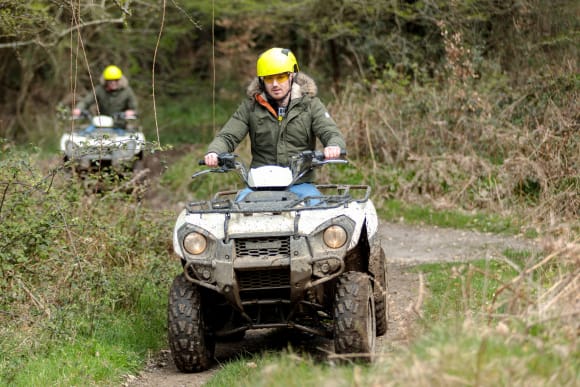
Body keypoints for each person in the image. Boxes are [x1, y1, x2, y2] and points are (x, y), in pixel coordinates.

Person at [204, 47, 346, 200]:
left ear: (292, 76)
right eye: (269, 79)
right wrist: (214, 152)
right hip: (258, 185)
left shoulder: (310, 105)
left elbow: (330, 132)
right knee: (237, 213)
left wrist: (333, 146)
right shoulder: (251, 107)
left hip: (299, 183)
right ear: (262, 80)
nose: (275, 84)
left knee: (318, 211)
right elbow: (227, 136)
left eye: (281, 77)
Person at [73, 65, 138, 128]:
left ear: (120, 80)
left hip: (120, 124)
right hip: (101, 123)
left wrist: (131, 112)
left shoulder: (127, 91)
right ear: (106, 81)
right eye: (110, 80)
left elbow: (134, 108)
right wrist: (78, 109)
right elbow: (86, 101)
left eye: (116, 80)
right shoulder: (99, 89)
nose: (113, 83)